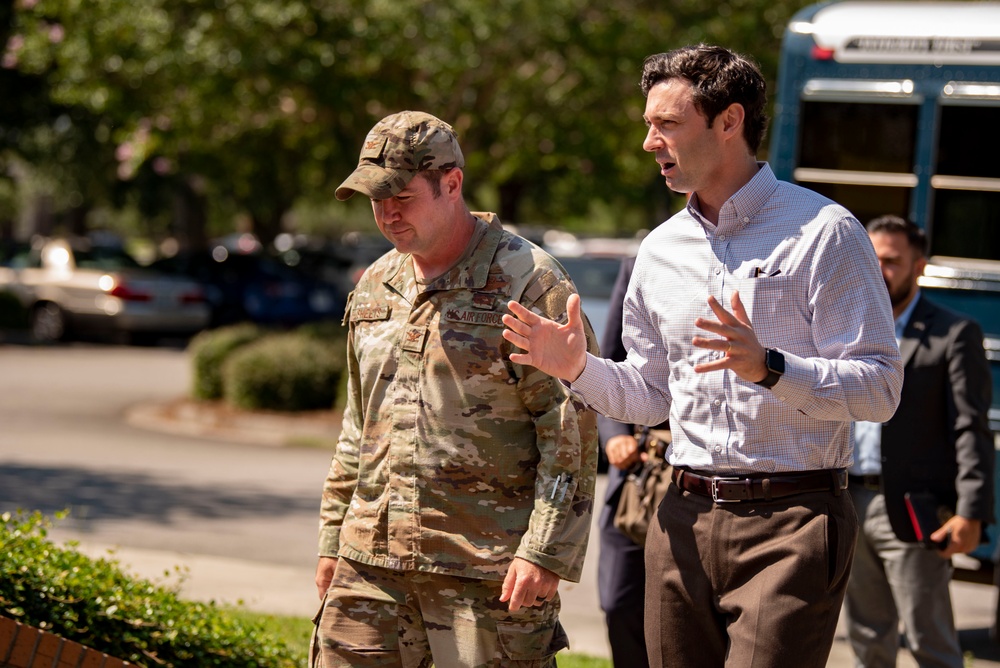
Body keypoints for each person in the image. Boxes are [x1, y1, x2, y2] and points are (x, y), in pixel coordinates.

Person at [501, 44, 904, 667]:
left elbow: (880, 389)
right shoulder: (660, 249)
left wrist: (772, 368)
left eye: (667, 124)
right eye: (647, 125)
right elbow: (651, 395)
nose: (649, 142)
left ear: (729, 121)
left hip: (793, 522)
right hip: (679, 516)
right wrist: (576, 368)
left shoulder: (826, 232)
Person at [310, 110, 600, 668]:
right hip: (368, 563)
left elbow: (569, 430)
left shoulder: (527, 281)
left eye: (402, 196)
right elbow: (357, 424)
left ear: (451, 184)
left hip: (485, 573)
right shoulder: (376, 283)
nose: (388, 213)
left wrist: (545, 551)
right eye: (376, 198)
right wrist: (332, 537)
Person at [844, 215, 994, 668]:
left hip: (913, 507)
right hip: (848, 499)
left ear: (919, 266)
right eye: (871, 259)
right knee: (866, 638)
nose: (879, 270)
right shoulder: (844, 327)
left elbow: (971, 427)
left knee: (931, 641)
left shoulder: (953, 333)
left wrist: (971, 512)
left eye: (891, 261)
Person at [596, 255, 669, 668]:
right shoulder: (646, 257)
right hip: (640, 473)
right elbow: (611, 364)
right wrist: (615, 436)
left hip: (708, 475)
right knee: (618, 602)